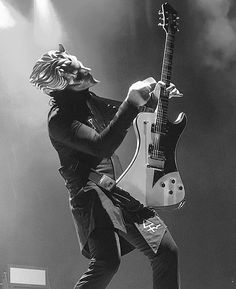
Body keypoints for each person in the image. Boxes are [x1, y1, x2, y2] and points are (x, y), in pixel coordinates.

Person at [30, 44, 182, 289]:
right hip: (90, 196)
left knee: (165, 250)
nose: (87, 68)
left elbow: (123, 114)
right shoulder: (59, 119)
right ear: (65, 79)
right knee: (108, 261)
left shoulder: (87, 99)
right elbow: (102, 146)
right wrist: (132, 101)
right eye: (78, 69)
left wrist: (155, 99)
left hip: (115, 191)